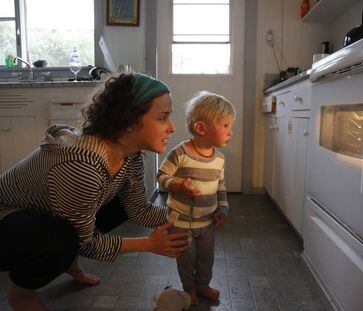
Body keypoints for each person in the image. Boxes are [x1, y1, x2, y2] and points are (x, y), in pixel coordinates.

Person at [0, 73, 190, 311]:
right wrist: (148, 244)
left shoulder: (130, 156)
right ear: (128, 122)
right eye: (163, 118)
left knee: (118, 206)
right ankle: (20, 293)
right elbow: (86, 242)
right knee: (63, 239)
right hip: (7, 220)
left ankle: (70, 265)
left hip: (46, 213)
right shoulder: (82, 167)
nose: (172, 128)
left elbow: (138, 208)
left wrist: (186, 221)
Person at [157, 91, 235, 305]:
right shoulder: (179, 154)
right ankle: (189, 288)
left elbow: (221, 186)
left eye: (231, 126)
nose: (231, 132)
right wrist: (177, 186)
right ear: (201, 128)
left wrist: (222, 209)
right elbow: (161, 176)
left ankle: (203, 285)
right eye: (225, 126)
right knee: (186, 258)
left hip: (207, 221)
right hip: (181, 222)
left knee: (206, 258)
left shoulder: (219, 159)